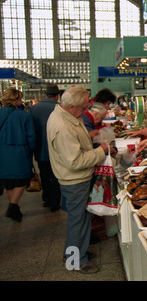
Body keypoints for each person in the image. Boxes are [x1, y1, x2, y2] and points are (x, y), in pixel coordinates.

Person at [47, 86, 109, 274]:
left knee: (80, 219)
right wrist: (101, 151)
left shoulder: (67, 116)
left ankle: (73, 253)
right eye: (83, 108)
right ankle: (76, 261)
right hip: (74, 180)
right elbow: (75, 161)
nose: (85, 112)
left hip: (75, 178)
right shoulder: (63, 126)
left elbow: (74, 146)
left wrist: (88, 137)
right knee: (77, 220)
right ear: (71, 105)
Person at [0, 89, 36, 222]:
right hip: (19, 152)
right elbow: (31, 136)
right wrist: (32, 149)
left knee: (9, 182)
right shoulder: (24, 115)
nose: (21, 101)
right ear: (14, 100)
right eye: (19, 99)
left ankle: (15, 210)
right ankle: (13, 205)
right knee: (22, 180)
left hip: (2, 153)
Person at [29, 84, 62, 212]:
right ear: (57, 95)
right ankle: (54, 202)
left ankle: (46, 199)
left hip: (40, 148)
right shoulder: (58, 108)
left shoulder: (34, 108)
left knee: (44, 174)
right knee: (55, 176)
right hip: (56, 148)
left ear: (45, 94)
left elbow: (31, 130)